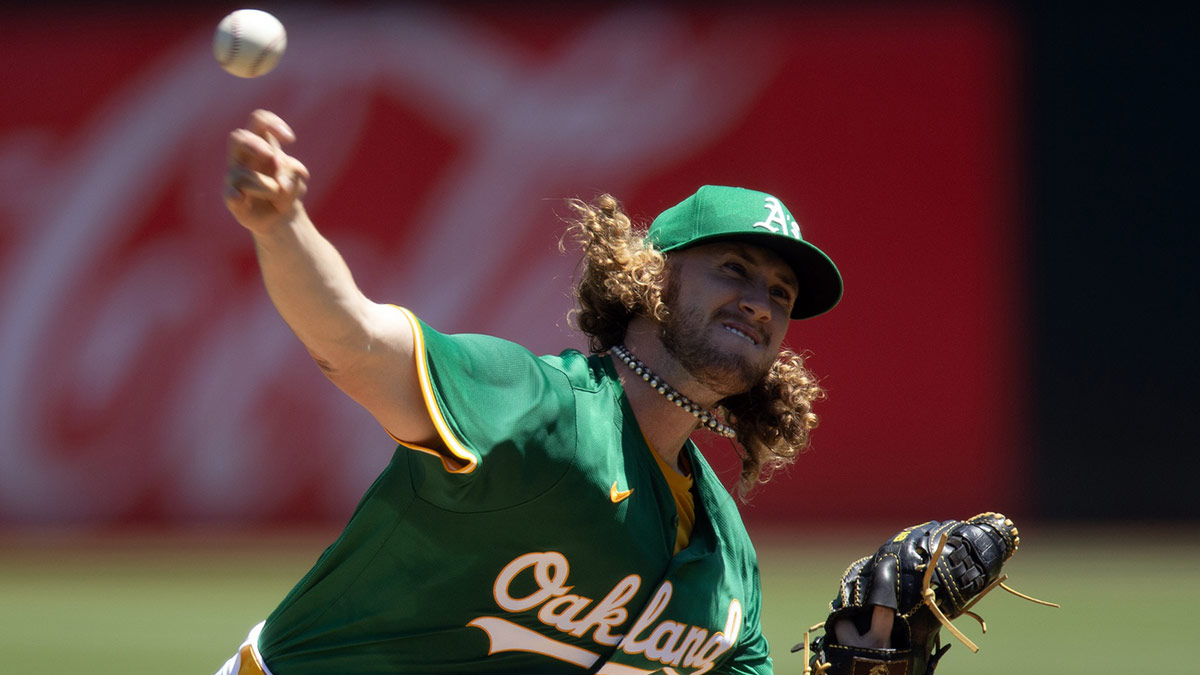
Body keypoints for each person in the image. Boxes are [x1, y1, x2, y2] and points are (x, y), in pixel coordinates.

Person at [216, 109, 845, 675]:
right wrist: (282, 227)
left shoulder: (725, 552)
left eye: (781, 295)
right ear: (652, 278)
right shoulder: (538, 407)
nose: (760, 304)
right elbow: (354, 341)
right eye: (734, 269)